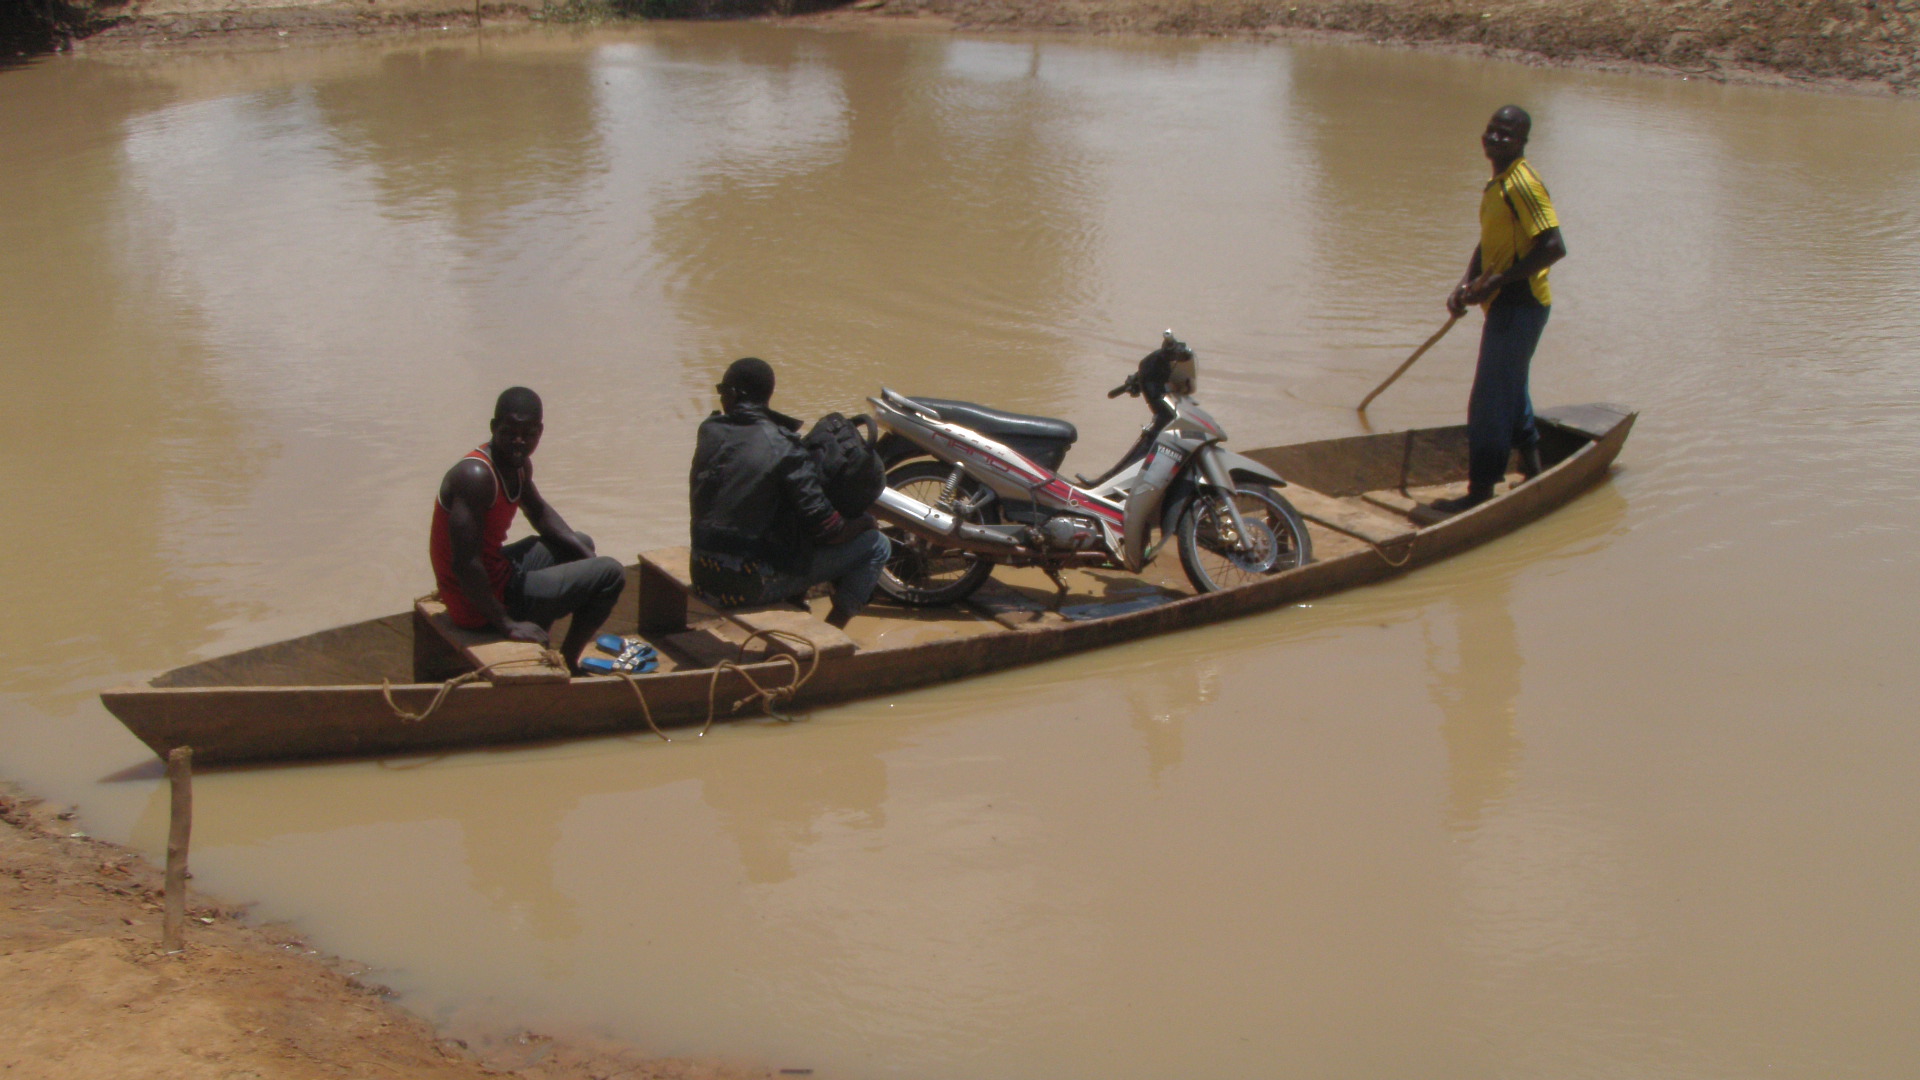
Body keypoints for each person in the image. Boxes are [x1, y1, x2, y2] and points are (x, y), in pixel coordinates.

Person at [429, 387, 626, 672]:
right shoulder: (476, 477)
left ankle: (538, 627)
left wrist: (586, 555)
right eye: (510, 432)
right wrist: (507, 624)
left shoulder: (518, 465)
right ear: (494, 428)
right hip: (472, 605)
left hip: (494, 575)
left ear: (540, 431)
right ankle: (568, 660)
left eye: (529, 434)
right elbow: (465, 565)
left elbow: (538, 511)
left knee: (581, 543)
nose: (519, 442)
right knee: (611, 573)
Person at [1435, 104, 1568, 515]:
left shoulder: (1523, 185)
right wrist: (1465, 284)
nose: (1494, 139)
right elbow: (1489, 242)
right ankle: (1533, 465)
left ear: (1522, 142)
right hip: (1504, 304)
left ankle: (1479, 492)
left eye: (1505, 134)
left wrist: (1496, 281)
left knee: (1488, 402)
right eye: (1491, 131)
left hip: (1521, 305)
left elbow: (1553, 247)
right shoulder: (1497, 185)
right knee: (1509, 387)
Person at [689, 357, 890, 629]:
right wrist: (864, 523)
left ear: (734, 395)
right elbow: (828, 530)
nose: (721, 398)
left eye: (721, 391)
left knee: (787, 538)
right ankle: (832, 635)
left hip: (701, 572)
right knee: (877, 545)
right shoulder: (785, 447)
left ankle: (800, 609)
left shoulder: (709, 430)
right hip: (744, 585)